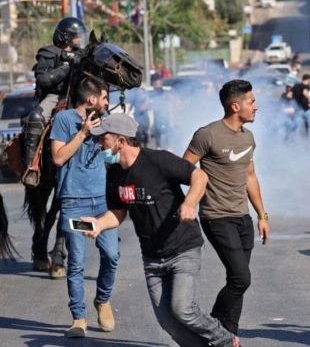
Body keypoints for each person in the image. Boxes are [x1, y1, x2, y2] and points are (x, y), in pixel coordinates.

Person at [81, 113, 238, 347]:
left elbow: (199, 176)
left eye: (103, 138)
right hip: (152, 257)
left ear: (121, 141)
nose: (99, 143)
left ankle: (226, 341)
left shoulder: (157, 160)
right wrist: (98, 224)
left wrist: (189, 203)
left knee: (182, 309)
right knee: (168, 322)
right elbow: (118, 212)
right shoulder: (114, 173)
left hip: (183, 247)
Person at [182, 79, 270, 338]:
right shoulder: (207, 135)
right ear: (235, 106)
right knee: (241, 278)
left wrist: (262, 216)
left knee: (237, 281)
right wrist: (189, 202)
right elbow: (182, 169)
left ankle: (228, 336)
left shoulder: (248, 137)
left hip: (242, 218)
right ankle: (211, 327)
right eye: (251, 102)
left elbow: (250, 177)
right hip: (216, 217)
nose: (256, 107)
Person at [50, 77, 119, 338]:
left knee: (111, 255)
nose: (106, 103)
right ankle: (79, 317)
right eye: (104, 98)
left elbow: (111, 155)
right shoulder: (64, 120)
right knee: (77, 262)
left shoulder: (105, 119)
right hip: (74, 203)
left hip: (102, 202)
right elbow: (58, 158)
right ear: (92, 99)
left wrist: (113, 141)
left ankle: (103, 300)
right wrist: (83, 133)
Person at [22, 17, 87, 186]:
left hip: (81, 97)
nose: (80, 39)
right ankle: (32, 166)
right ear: (65, 36)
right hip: (55, 97)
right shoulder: (48, 53)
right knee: (36, 117)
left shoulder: (84, 54)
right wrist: (65, 67)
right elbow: (43, 79)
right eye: (76, 36)